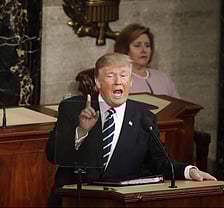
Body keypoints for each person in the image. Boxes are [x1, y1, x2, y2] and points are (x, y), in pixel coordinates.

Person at [46, 53, 216, 207]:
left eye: (123, 75)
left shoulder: (144, 118)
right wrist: (81, 131)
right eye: (111, 76)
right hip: (73, 201)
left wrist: (189, 171)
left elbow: (160, 161)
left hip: (117, 203)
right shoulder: (73, 108)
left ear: (131, 81)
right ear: (98, 82)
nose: (118, 81)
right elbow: (52, 154)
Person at [114, 23, 178, 97]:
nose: (144, 50)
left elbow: (181, 106)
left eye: (147, 45)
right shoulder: (117, 80)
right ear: (124, 49)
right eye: (137, 45)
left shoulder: (163, 78)